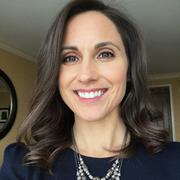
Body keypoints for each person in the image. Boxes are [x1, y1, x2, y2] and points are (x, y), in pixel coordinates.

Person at [0, 0, 180, 179]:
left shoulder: (175, 161)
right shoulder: (22, 165)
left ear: (130, 69)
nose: (86, 75)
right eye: (70, 58)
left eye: (105, 54)